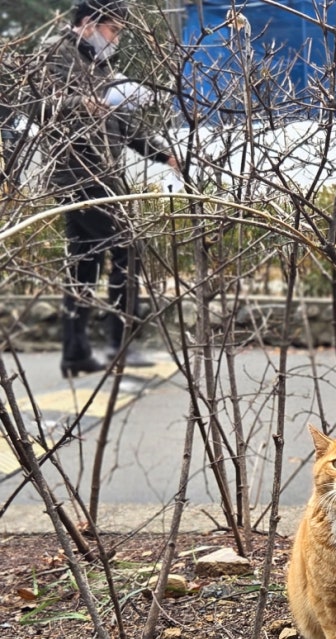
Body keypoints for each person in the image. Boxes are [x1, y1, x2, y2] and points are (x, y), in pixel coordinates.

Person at [30, 0, 179, 376]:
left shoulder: (101, 66)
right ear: (88, 23)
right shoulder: (56, 52)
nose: (116, 39)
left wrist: (164, 155)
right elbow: (42, 104)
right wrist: (85, 103)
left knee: (85, 264)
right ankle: (121, 344)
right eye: (113, 30)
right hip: (77, 176)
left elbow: (124, 125)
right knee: (128, 247)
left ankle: (76, 353)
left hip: (102, 177)